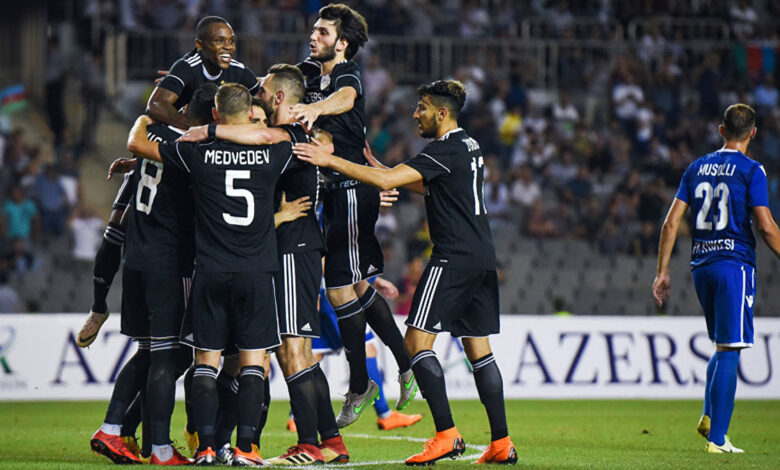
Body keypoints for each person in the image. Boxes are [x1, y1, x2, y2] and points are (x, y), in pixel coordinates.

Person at [294, 79, 517, 465]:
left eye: (422, 108)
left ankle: (446, 435)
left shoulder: (443, 149)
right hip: (482, 258)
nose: (416, 115)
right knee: (478, 349)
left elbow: (387, 182)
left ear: (441, 113)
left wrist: (331, 161)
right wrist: (383, 167)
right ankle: (501, 441)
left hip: (452, 258)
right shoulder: (470, 146)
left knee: (415, 345)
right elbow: (427, 184)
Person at [127, 82, 297, 467]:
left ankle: (204, 448)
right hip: (256, 271)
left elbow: (138, 145)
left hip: (210, 271)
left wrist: (144, 120)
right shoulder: (273, 152)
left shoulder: (195, 152)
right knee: (252, 363)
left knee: (206, 362)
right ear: (250, 114)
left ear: (216, 114)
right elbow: (287, 135)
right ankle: (246, 449)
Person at [294, 3, 416, 427]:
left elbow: (345, 99)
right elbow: (272, 85)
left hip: (348, 190)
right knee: (359, 287)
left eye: (323, 32)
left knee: (338, 292)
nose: (314, 37)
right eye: (314, 30)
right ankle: (405, 363)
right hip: (335, 192)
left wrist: (315, 111)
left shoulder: (347, 75)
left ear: (342, 43)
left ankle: (361, 385)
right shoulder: (308, 73)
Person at [89, 83, 219, 466]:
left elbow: (150, 158)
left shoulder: (154, 134)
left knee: (147, 352)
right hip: (169, 263)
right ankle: (160, 448)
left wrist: (134, 160)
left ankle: (112, 429)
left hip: (136, 260)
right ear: (214, 117)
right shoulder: (195, 150)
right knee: (167, 355)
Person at [653, 103, 780, 454]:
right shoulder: (752, 170)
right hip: (733, 264)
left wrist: (662, 272)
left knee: (722, 344)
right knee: (731, 349)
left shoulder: (695, 167)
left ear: (721, 130)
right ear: (753, 133)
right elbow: (766, 227)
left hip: (701, 266)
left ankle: (709, 417)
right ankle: (718, 440)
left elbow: (670, 223)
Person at [146, 16, 259, 130]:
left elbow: (262, 96)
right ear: (199, 45)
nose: (228, 47)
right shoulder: (187, 67)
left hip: (218, 134)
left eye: (231, 41)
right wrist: (196, 128)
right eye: (219, 41)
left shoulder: (239, 71)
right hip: (182, 133)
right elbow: (155, 104)